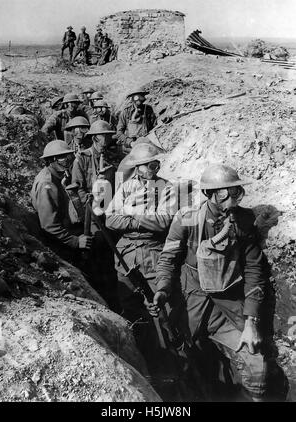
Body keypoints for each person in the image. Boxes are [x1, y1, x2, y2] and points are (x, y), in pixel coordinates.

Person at [152, 164, 271, 402]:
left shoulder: (245, 221)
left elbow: (255, 271)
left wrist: (250, 321)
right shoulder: (187, 220)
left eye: (236, 192)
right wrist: (162, 290)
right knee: (176, 365)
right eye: (225, 194)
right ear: (210, 194)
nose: (232, 200)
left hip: (226, 307)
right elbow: (168, 259)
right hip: (189, 304)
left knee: (258, 367)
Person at [105, 143, 177, 374]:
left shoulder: (166, 188)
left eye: (156, 163)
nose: (154, 168)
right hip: (127, 254)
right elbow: (110, 220)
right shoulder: (126, 187)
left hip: (154, 253)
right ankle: (143, 360)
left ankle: (174, 362)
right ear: (138, 166)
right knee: (131, 308)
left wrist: (132, 212)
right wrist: (137, 221)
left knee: (163, 310)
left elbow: (163, 221)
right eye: (149, 164)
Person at [71, 120, 122, 310]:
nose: (107, 139)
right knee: (95, 252)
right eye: (104, 135)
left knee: (110, 253)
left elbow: (118, 185)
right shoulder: (82, 158)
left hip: (109, 212)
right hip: (91, 214)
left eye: (109, 135)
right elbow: (77, 188)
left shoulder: (112, 157)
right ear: (94, 138)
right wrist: (91, 204)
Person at [30, 140, 92, 264]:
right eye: (62, 157)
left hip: (65, 232)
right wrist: (76, 241)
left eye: (68, 156)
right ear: (52, 159)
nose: (68, 160)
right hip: (57, 243)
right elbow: (49, 225)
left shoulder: (58, 176)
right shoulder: (47, 184)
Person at [116, 89, 157, 154]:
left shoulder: (148, 109)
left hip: (146, 143)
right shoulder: (126, 112)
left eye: (140, 97)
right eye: (135, 97)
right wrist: (130, 142)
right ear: (132, 99)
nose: (138, 101)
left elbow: (154, 127)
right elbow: (119, 133)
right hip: (130, 146)